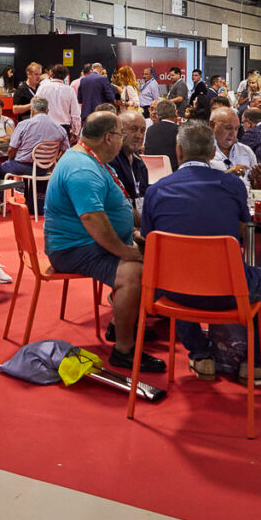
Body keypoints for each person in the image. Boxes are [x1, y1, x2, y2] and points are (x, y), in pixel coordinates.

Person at [141, 120, 261, 382]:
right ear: (211, 152)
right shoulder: (232, 185)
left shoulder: (155, 191)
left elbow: (150, 239)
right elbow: (244, 228)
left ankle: (200, 354)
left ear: (178, 151)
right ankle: (256, 362)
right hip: (229, 290)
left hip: (173, 291)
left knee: (178, 273)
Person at [43, 112, 166, 373]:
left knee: (155, 253)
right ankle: (124, 350)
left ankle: (122, 324)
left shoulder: (92, 159)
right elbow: (91, 218)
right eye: (121, 135)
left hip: (87, 242)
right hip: (74, 248)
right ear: (108, 138)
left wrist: (139, 230)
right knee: (134, 272)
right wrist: (124, 251)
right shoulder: (82, 168)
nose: (123, 141)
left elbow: (115, 207)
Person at [0, 96, 68, 211]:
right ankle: (35, 205)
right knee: (28, 170)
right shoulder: (59, 128)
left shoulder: (24, 124)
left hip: (23, 166)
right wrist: (53, 161)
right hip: (44, 168)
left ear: (32, 110)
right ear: (47, 110)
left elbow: (12, 149)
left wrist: (10, 159)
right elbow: (65, 150)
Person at [108, 109, 149, 211]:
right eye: (133, 129)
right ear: (120, 131)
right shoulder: (111, 159)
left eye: (142, 131)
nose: (139, 136)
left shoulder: (138, 160)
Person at [36, 64, 81, 140]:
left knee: (44, 147)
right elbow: (75, 114)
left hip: (45, 126)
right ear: (65, 76)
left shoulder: (42, 88)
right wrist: (76, 132)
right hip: (63, 128)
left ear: (52, 73)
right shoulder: (70, 90)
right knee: (62, 148)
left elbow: (35, 108)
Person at [143, 98, 181, 170]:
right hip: (173, 172)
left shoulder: (150, 130)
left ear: (158, 114)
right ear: (176, 113)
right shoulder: (180, 131)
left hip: (152, 171)